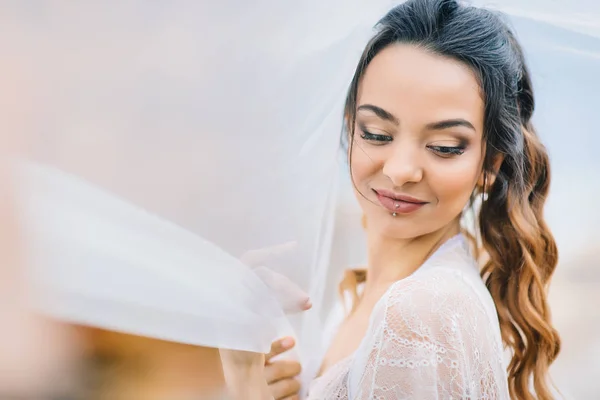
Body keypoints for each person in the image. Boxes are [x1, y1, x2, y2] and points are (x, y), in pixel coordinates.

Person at [263, 0, 561, 398]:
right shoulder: (361, 297)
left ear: (490, 165)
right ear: (350, 130)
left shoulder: (419, 311)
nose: (401, 170)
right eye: (376, 133)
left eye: (443, 146)